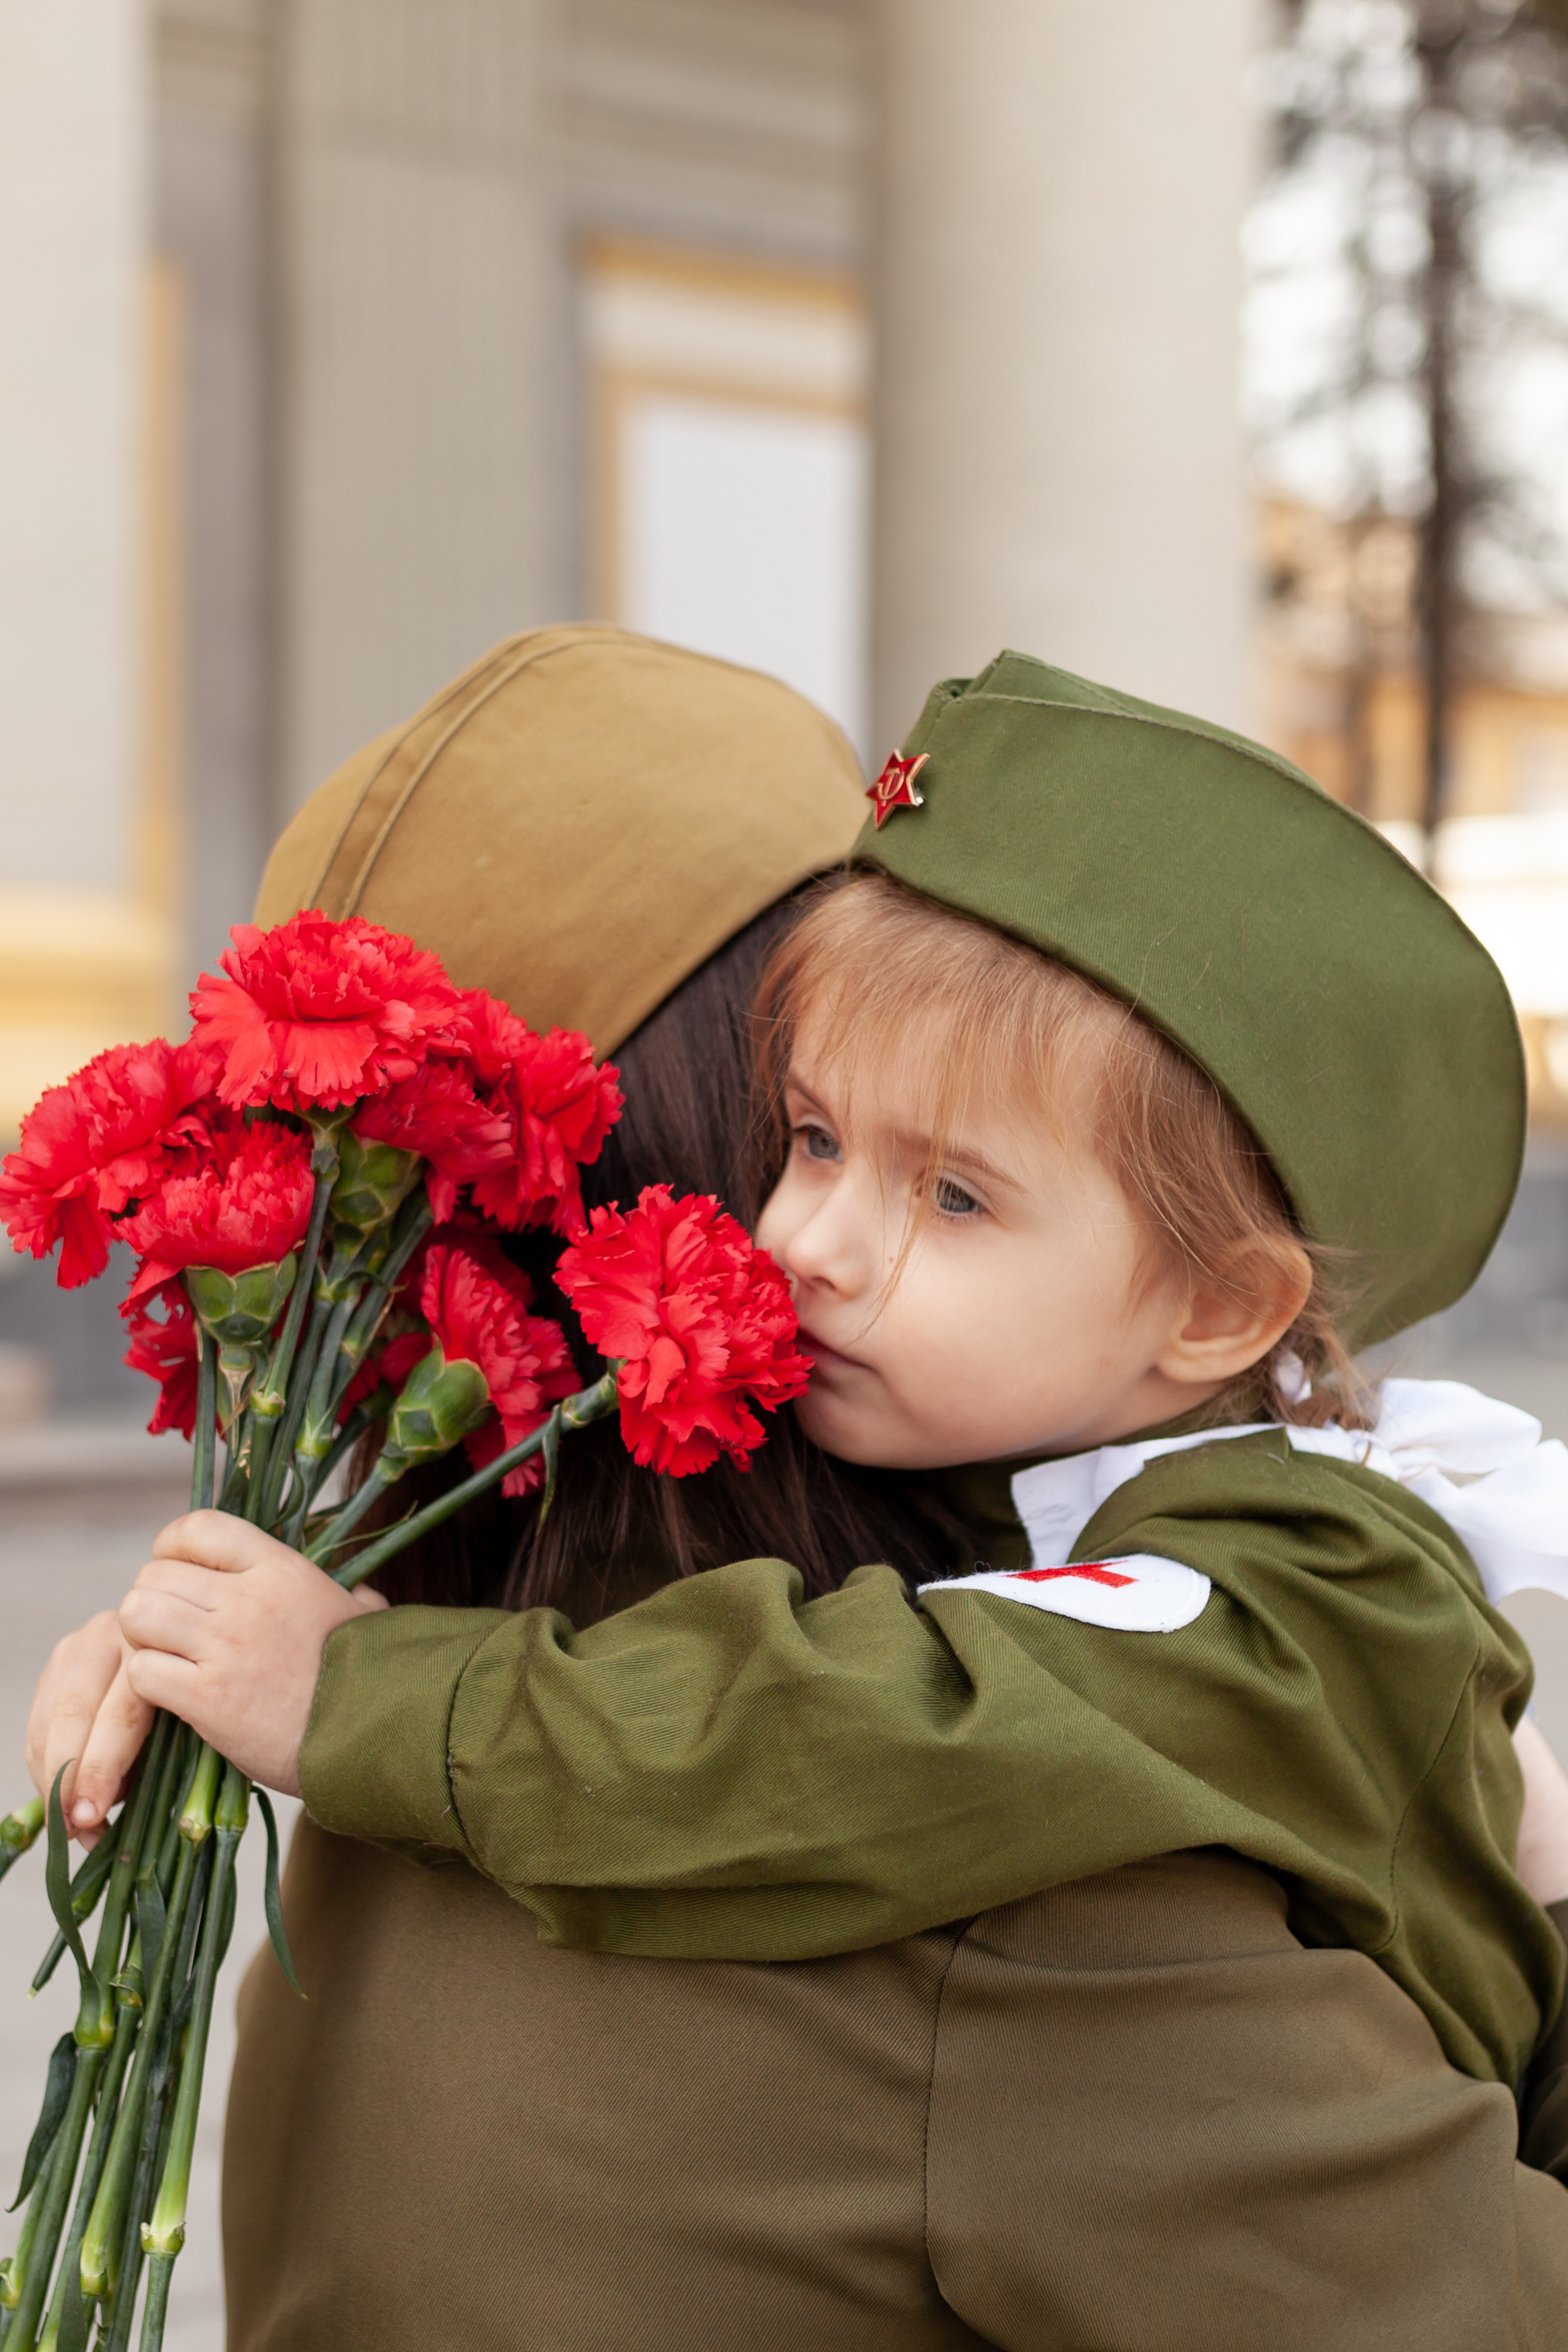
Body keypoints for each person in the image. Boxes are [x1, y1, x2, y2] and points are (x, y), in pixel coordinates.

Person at [25, 639, 1568, 2346]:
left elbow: (894, 1717)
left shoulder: (421, 1788)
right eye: (811, 1134)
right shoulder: (1015, 1909)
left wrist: (335, 1682)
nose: (807, 1243)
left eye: (955, 1194)